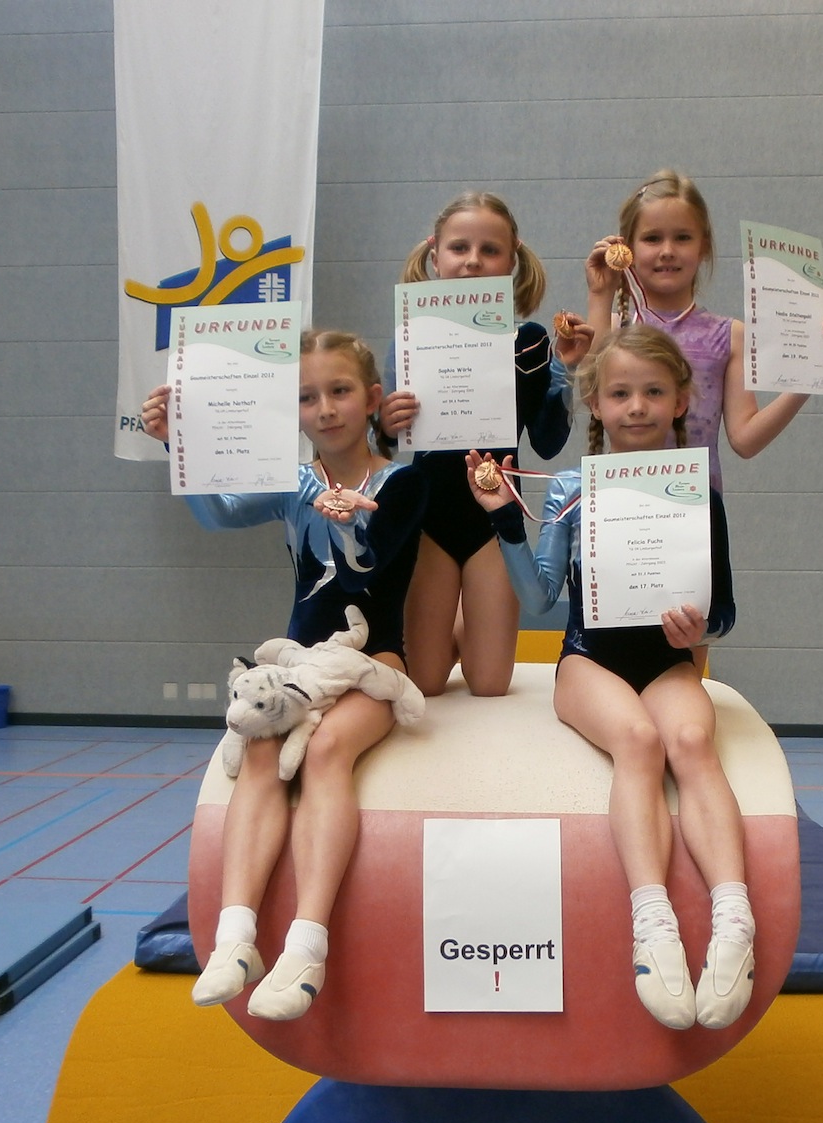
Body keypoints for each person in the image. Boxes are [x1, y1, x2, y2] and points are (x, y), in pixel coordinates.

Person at [467, 324, 754, 1031]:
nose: (637, 406)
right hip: (588, 661)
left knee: (691, 741)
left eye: (654, 392)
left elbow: (724, 611)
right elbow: (540, 600)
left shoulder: (696, 491)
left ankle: (734, 919)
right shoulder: (571, 488)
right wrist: (506, 521)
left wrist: (701, 629)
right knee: (637, 740)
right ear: (595, 403)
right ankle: (652, 923)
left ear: (681, 399)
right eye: (621, 393)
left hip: (666, 661)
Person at [139, 330, 428, 1021]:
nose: (324, 409)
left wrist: (351, 521)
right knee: (263, 754)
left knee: (324, 752)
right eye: (306, 397)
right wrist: (179, 444)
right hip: (296, 663)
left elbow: (372, 567)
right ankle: (235, 938)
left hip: (373, 660)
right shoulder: (295, 484)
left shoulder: (401, 483)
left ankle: (307, 944)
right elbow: (217, 515)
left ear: (373, 399)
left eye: (340, 391)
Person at [380, 192, 595, 698]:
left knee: (490, 683)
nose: (473, 260)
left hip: (495, 518)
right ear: (435, 254)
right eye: (459, 248)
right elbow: (386, 443)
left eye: (490, 250)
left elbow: (548, 443)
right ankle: (455, 624)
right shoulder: (411, 337)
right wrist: (385, 424)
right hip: (429, 519)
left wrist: (564, 370)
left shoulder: (532, 341)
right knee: (425, 682)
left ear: (512, 259)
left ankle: (465, 625)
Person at [583, 169, 823, 490]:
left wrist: (810, 374)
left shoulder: (729, 335)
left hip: (701, 508)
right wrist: (600, 295)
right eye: (652, 238)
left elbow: (745, 440)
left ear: (704, 246)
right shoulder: (615, 328)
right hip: (620, 502)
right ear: (627, 248)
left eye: (682, 237)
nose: (667, 250)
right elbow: (589, 397)